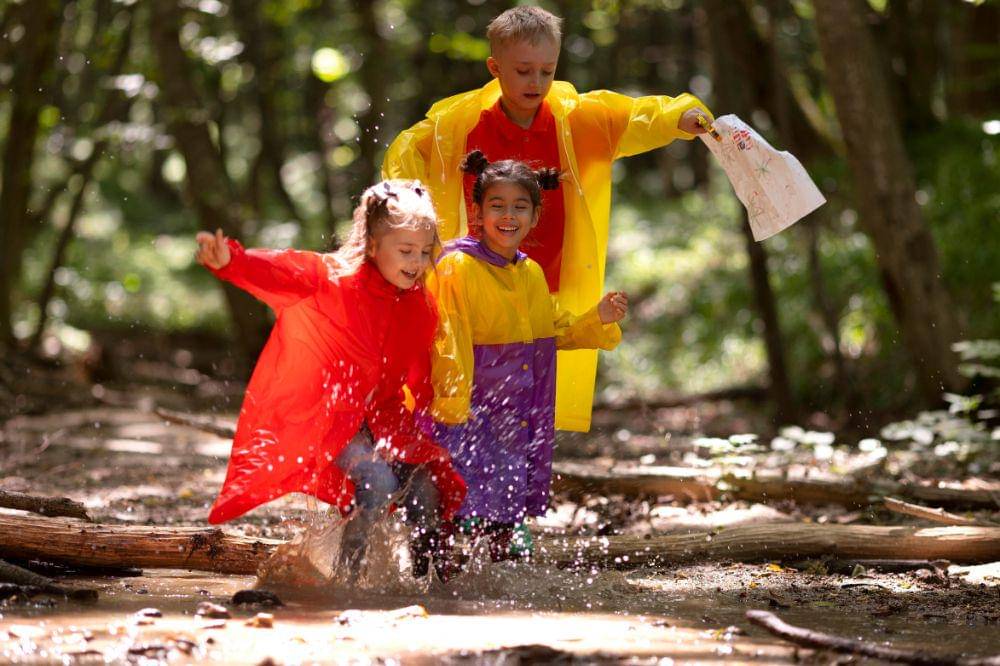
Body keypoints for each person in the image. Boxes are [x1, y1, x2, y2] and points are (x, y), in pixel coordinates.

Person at [383, 5, 711, 433]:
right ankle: (451, 467)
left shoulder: (576, 118)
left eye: (546, 71)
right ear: (495, 67)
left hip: (547, 281)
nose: (536, 83)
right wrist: (401, 213)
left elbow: (633, 115)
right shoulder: (459, 125)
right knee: (462, 379)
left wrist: (679, 119)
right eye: (523, 71)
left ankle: (513, 476)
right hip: (476, 286)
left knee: (528, 394)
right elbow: (407, 153)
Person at [195, 179, 466, 580]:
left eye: (425, 252)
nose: (416, 261)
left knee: (426, 490)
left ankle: (430, 587)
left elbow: (419, 377)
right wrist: (231, 262)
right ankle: (349, 581)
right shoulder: (333, 279)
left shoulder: (420, 305)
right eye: (406, 251)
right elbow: (280, 272)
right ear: (373, 245)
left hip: (386, 421)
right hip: (333, 417)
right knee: (376, 480)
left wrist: (435, 419)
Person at [427, 152, 628, 560]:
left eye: (520, 207)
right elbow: (446, 342)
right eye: (496, 205)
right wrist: (451, 415)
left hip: (518, 416)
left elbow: (549, 333)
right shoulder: (457, 267)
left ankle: (497, 580)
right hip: (468, 414)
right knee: (450, 506)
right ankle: (436, 580)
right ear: (478, 212)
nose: (508, 216)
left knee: (503, 512)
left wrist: (597, 319)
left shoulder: (530, 273)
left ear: (536, 216)